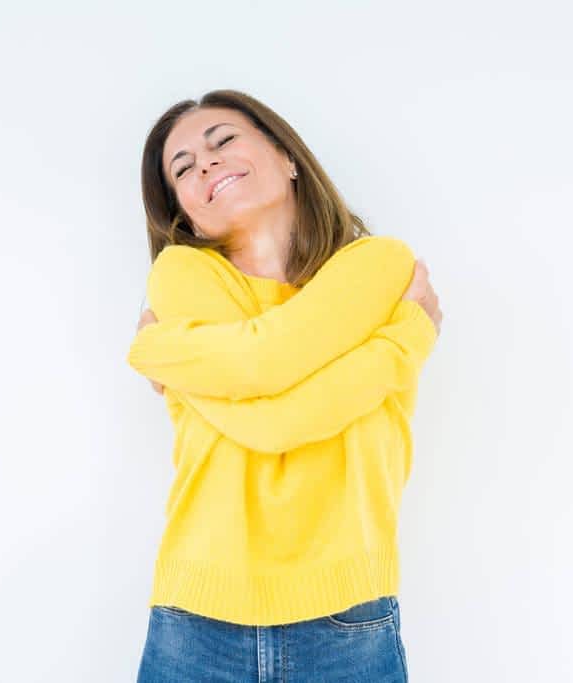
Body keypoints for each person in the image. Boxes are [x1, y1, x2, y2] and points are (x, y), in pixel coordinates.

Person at [126, 89, 442, 682]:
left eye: (223, 141)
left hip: (349, 619)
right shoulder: (181, 276)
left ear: (287, 156)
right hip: (196, 621)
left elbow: (266, 390)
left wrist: (162, 351)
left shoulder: (376, 264)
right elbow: (269, 409)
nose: (206, 164)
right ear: (185, 211)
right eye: (184, 168)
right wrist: (404, 343)